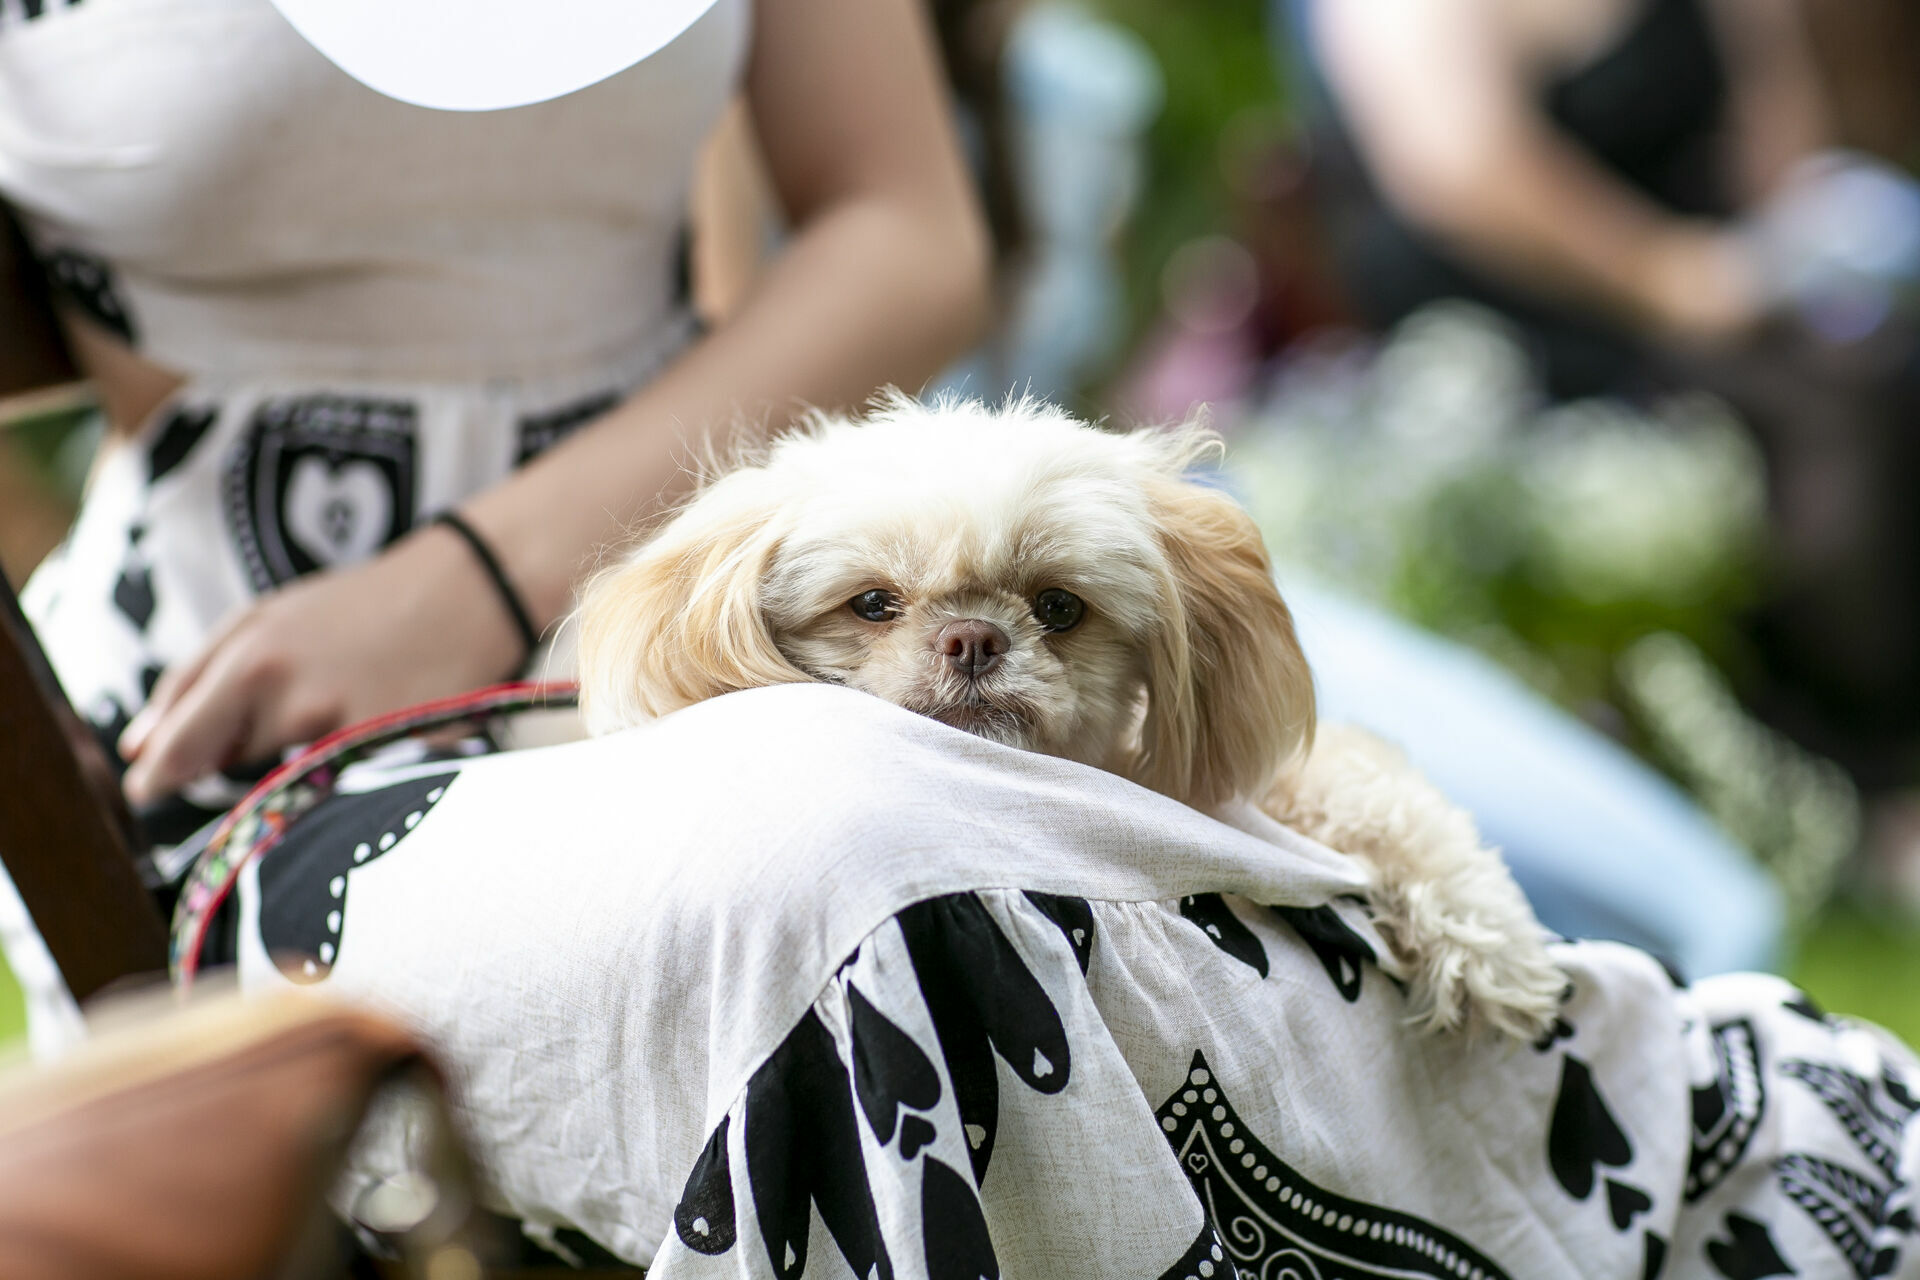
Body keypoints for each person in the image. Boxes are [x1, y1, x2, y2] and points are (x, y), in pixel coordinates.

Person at [0, 0, 990, 842]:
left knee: (951, 852)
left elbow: (909, 232)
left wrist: (476, 583)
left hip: (688, 623)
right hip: (239, 738)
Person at [1286, 0, 1920, 803]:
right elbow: (1459, 169)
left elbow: (1784, 156)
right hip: (1498, 358)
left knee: (1863, 372)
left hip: (1726, 327)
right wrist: (1664, 275)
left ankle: (1858, 774)